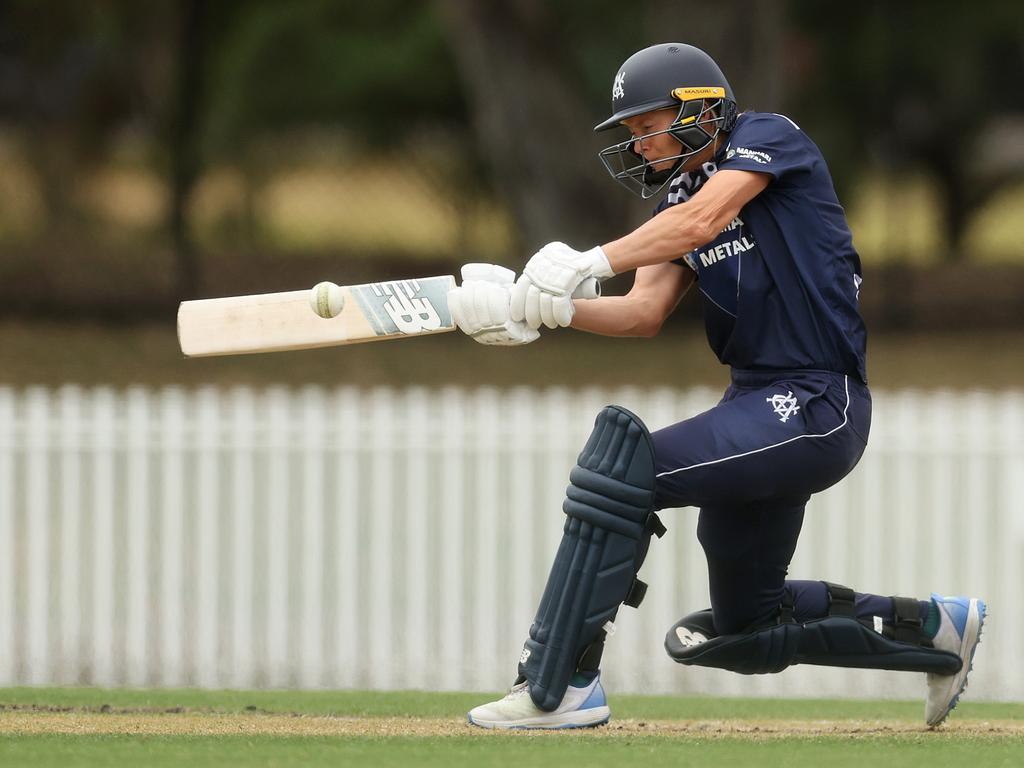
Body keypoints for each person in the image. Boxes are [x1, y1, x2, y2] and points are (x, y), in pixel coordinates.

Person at [446, 43, 985, 730]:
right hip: (757, 406)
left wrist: (589, 259)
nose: (639, 147)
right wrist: (542, 311)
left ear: (699, 109)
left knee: (623, 472)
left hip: (818, 402)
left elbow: (701, 222)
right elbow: (643, 313)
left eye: (647, 127)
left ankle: (559, 685)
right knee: (747, 628)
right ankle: (938, 632)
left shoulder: (767, 138)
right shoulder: (679, 196)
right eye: (632, 134)